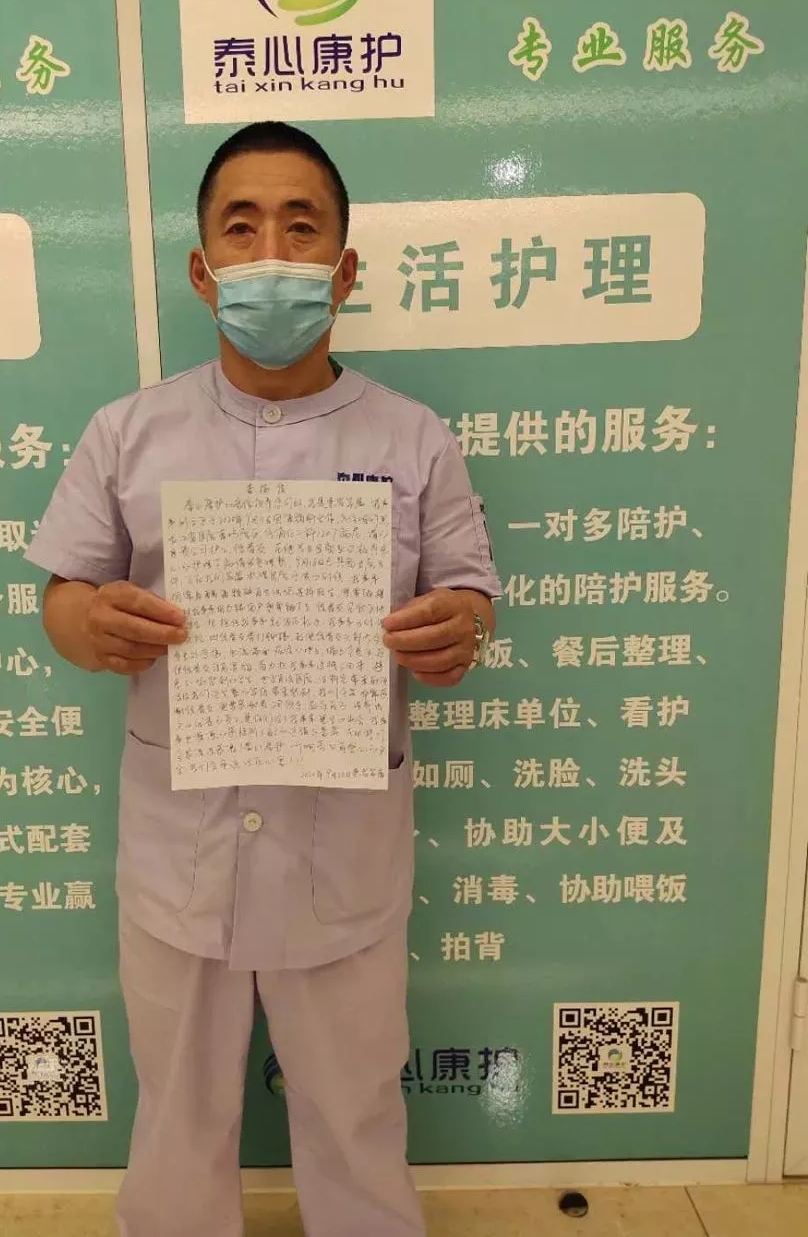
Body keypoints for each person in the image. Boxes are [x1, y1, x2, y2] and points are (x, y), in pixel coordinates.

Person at [26, 121, 501, 1237]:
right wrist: (90, 622)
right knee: (177, 1119)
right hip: (179, 848)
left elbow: (470, 595)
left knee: (355, 1111)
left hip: (345, 853)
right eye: (242, 228)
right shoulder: (127, 434)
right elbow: (61, 597)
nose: (271, 253)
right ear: (203, 271)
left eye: (302, 226)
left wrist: (459, 629)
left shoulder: (414, 439)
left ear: (345, 267)